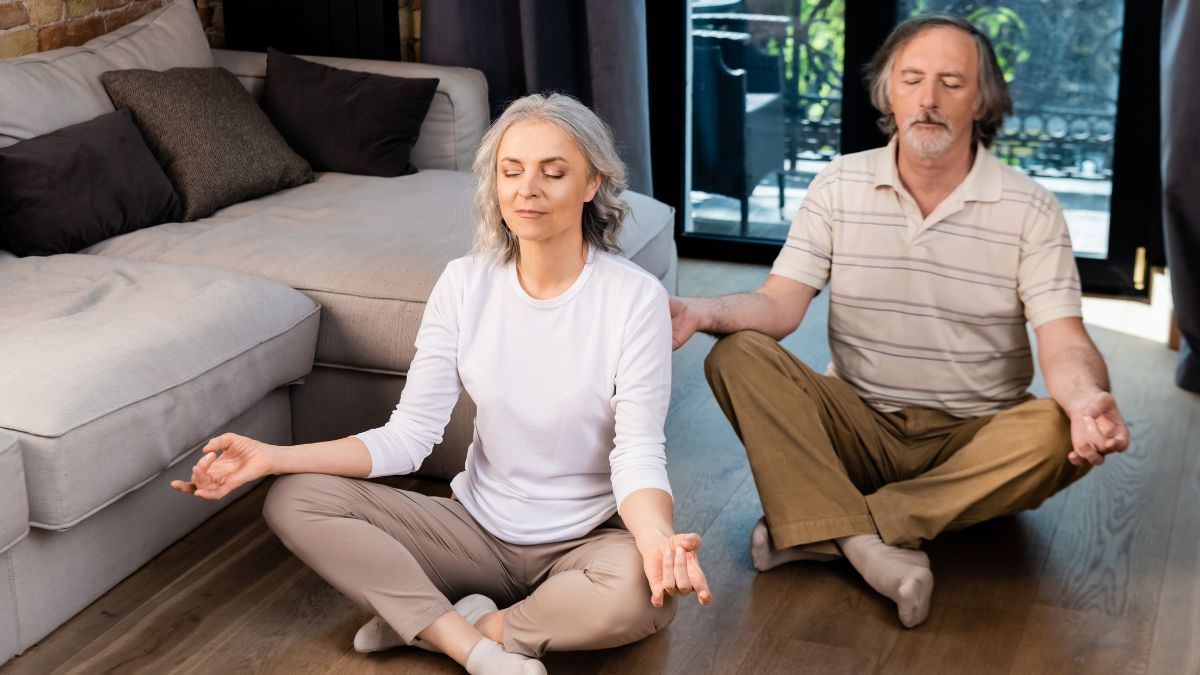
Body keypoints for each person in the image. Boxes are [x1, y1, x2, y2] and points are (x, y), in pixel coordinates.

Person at [172, 93, 712, 675]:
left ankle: (452, 625)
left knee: (642, 595)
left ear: (592, 184)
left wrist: (656, 540)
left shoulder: (633, 300)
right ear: (494, 182)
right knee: (296, 497)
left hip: (586, 540)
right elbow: (409, 437)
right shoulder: (464, 283)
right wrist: (274, 458)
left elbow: (636, 452)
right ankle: (474, 650)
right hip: (474, 530)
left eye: (553, 173)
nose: (527, 188)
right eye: (512, 171)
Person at [670, 14, 1129, 629]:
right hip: (857, 427)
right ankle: (868, 544)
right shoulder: (839, 185)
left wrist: (1087, 399)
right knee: (734, 352)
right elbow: (777, 306)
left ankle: (827, 526)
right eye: (912, 79)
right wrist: (701, 311)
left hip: (971, 438)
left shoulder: (1030, 208)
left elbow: (1064, 340)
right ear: (889, 92)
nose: (929, 99)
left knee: (1052, 432)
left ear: (982, 99)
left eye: (951, 82)